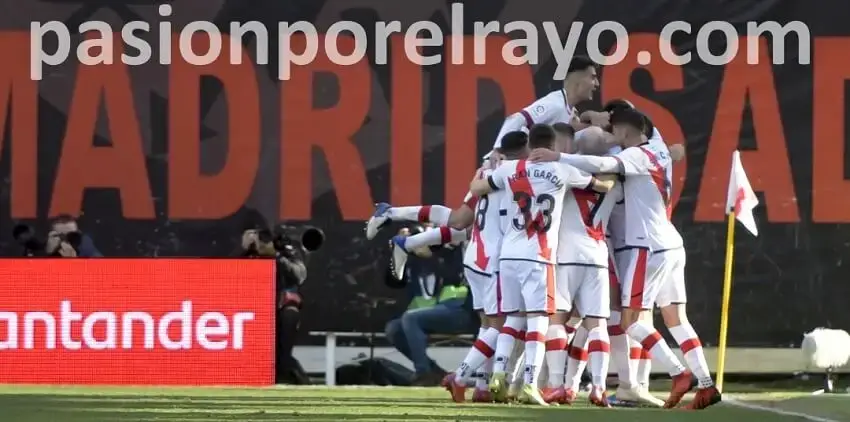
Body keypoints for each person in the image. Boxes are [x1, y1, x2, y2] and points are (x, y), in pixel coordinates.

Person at [529, 108, 721, 410]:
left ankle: (678, 373)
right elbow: (660, 141)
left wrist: (560, 158)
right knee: (677, 320)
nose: (612, 137)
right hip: (672, 243)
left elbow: (604, 162)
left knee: (630, 321)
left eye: (615, 130)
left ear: (625, 130)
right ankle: (707, 385)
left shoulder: (635, 157)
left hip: (647, 247)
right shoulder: (658, 149)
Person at [467, 124, 612, 406]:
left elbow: (477, 188)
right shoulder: (563, 170)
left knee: (511, 319)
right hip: (539, 255)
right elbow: (602, 186)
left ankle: (498, 374)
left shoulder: (510, 169)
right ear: (552, 145)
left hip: (508, 255)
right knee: (537, 321)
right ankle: (531, 383)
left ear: (529, 144)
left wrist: (482, 169)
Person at [384, 227, 476, 386]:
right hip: (434, 313)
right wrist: (399, 252)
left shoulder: (450, 254)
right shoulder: (414, 264)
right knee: (393, 329)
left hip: (462, 311)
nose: (420, 246)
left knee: (410, 318)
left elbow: (449, 262)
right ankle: (434, 371)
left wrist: (436, 245)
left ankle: (423, 373)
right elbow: (393, 280)